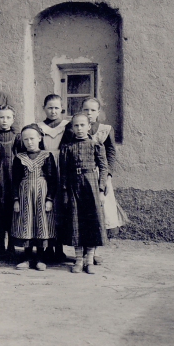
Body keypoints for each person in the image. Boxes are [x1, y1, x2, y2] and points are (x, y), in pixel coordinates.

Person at [63, 97, 124, 265]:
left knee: (98, 215)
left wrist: (107, 176)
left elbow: (110, 155)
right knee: (79, 216)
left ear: (98, 112)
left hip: (97, 177)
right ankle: (79, 254)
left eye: (92, 110)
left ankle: (93, 253)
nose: (89, 113)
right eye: (86, 110)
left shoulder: (105, 130)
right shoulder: (72, 129)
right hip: (77, 177)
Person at [59, 113, 108, 274]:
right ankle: (79, 259)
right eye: (76, 126)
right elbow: (64, 172)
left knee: (91, 222)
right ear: (72, 128)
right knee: (76, 221)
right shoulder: (67, 147)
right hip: (74, 185)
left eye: (82, 125)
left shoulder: (96, 144)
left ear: (88, 126)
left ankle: (89, 260)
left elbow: (104, 168)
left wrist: (101, 190)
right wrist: (65, 191)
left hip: (91, 185)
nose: (79, 129)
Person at [10, 124, 58, 271]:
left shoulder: (47, 156)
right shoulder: (19, 158)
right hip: (24, 195)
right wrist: (16, 200)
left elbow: (53, 179)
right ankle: (26, 258)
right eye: (26, 139)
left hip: (42, 196)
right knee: (26, 223)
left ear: (39, 138)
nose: (29, 142)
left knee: (41, 224)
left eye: (32, 138)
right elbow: (15, 180)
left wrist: (49, 199)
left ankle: (40, 258)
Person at [37, 94, 69, 262]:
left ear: (61, 108)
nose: (53, 111)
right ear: (44, 108)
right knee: (47, 206)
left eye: (56, 108)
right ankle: (48, 246)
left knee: (61, 208)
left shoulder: (68, 126)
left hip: (62, 165)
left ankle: (60, 247)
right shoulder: (38, 127)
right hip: (46, 167)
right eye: (50, 107)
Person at [0, 104, 18, 260]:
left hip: (12, 179)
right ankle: (0, 246)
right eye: (1, 117)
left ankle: (12, 247)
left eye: (8, 117)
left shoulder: (17, 137)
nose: (5, 120)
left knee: (11, 213)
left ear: (13, 119)